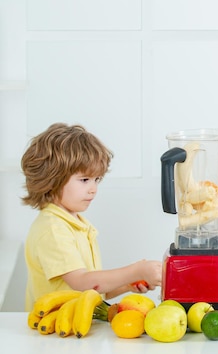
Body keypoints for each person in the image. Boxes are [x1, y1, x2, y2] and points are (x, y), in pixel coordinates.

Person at [21, 123, 162, 311]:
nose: (93, 189)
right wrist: (136, 270)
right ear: (52, 179)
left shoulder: (76, 224)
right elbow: (81, 282)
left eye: (97, 180)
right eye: (84, 180)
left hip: (76, 327)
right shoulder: (53, 229)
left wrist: (127, 283)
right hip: (55, 330)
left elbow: (92, 289)